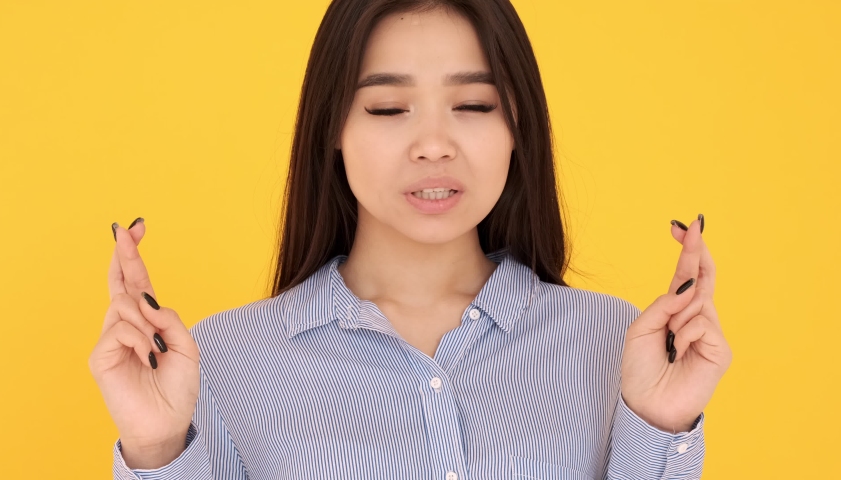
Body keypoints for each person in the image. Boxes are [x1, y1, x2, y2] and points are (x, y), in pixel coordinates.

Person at [89, 0, 733, 478]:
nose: (433, 145)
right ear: (333, 128)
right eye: (388, 108)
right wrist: (156, 448)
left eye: (474, 105)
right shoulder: (225, 361)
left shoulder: (612, 342)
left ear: (518, 126)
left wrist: (662, 424)